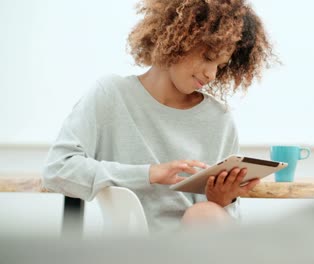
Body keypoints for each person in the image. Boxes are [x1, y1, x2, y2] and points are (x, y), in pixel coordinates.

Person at [42, 0, 274, 233]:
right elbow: (58, 170)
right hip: (135, 249)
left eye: (220, 66)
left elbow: (224, 224)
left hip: (202, 250)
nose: (211, 74)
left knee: (205, 213)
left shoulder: (219, 118)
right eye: (208, 56)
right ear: (180, 37)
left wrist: (222, 200)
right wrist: (149, 173)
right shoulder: (111, 95)